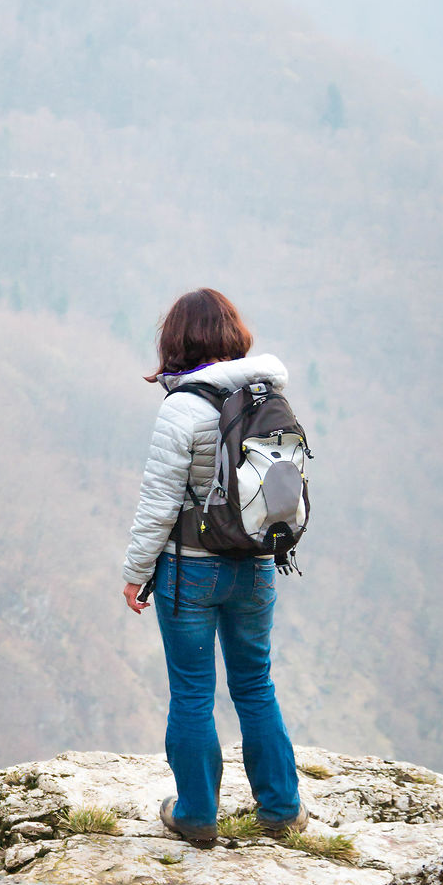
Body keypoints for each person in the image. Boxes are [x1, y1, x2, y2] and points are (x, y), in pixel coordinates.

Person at [122, 287, 307, 846]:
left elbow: (158, 501)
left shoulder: (184, 407)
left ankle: (197, 815)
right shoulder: (268, 397)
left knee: (193, 692)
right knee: (255, 684)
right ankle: (280, 808)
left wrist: (135, 570)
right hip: (256, 565)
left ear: (176, 341)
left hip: (191, 573)